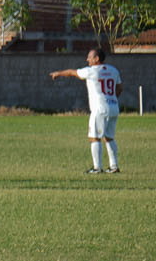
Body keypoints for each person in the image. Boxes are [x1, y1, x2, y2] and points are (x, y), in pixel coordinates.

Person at [50, 46, 121, 174]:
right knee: (109, 137)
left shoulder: (91, 71)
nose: (87, 59)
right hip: (113, 107)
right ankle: (114, 166)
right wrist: (110, 98)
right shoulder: (113, 70)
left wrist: (58, 73)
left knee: (94, 137)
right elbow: (119, 88)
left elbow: (72, 72)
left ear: (97, 58)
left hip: (99, 109)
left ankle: (97, 168)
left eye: (90, 57)